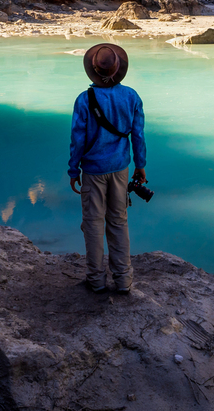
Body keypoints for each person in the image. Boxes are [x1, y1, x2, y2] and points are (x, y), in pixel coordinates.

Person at [68, 42, 147, 293]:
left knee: (93, 223)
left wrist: (73, 170)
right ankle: (123, 279)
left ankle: (96, 280)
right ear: (118, 69)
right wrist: (140, 164)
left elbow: (77, 139)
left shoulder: (84, 100)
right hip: (121, 168)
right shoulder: (131, 96)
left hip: (93, 171)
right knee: (119, 222)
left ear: (93, 69)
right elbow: (138, 135)